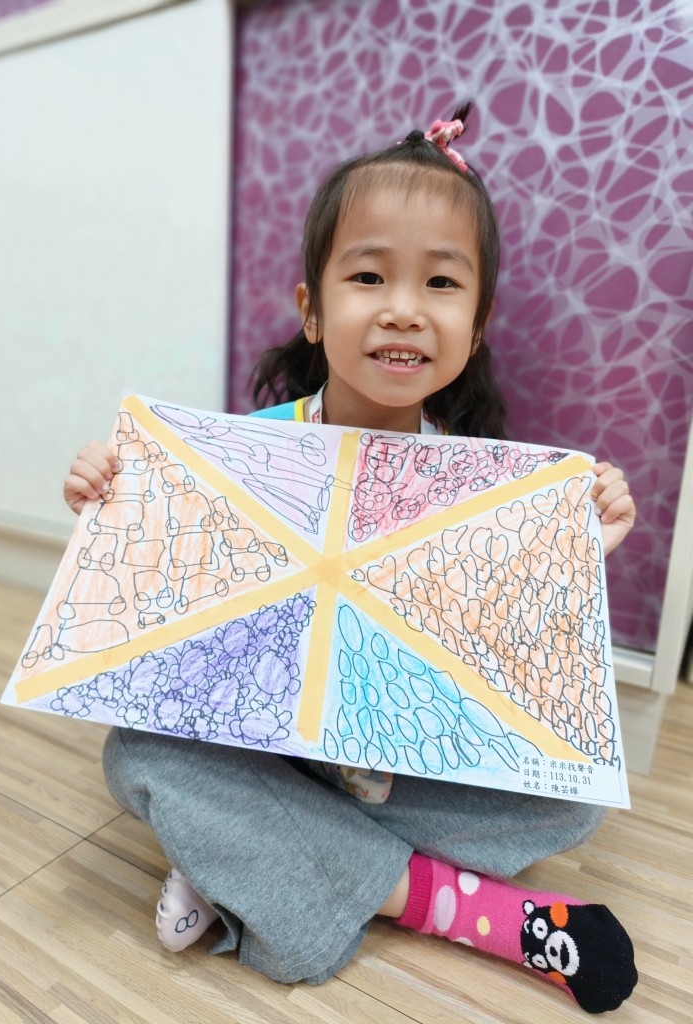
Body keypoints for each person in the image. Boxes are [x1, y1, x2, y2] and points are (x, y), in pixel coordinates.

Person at [64, 106, 638, 1013]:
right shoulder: (245, 452)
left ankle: (254, 861)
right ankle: (465, 909)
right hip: (267, 748)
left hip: (395, 768)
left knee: (575, 797)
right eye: (369, 276)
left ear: (476, 326)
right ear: (312, 309)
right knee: (137, 752)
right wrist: (112, 493)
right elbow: (165, 609)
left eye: (440, 283)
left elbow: (504, 659)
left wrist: (575, 549)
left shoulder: (481, 481)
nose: (403, 307)